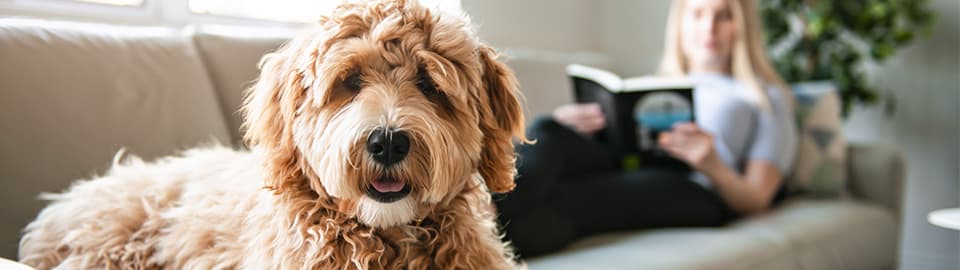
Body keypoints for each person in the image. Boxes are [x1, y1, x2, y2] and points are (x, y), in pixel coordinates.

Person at [494, 0, 798, 258]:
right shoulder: (658, 83)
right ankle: (478, 210)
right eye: (698, 14)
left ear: (743, 26)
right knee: (549, 130)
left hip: (697, 187)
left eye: (724, 16)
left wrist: (712, 164)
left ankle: (468, 230)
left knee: (568, 199)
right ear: (680, 25)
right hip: (627, 163)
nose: (709, 28)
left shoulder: (765, 97)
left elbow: (757, 198)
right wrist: (579, 128)